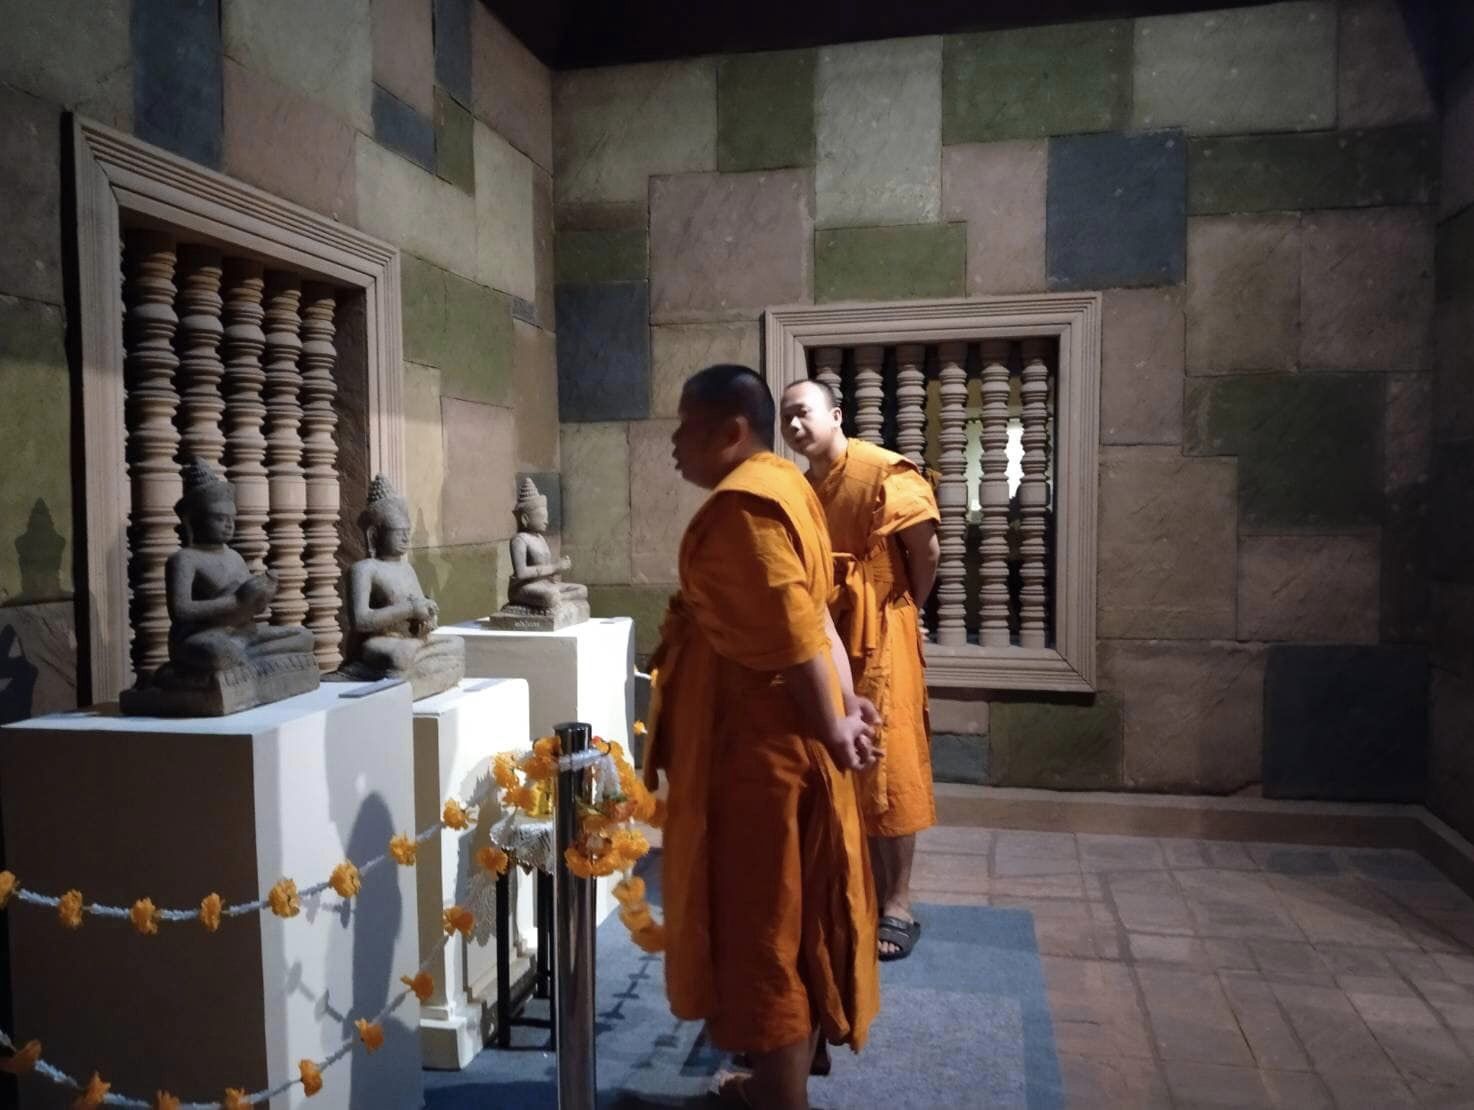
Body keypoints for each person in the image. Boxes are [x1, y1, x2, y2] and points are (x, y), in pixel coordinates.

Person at [642, 364, 880, 1109]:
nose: (674, 442)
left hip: (758, 755)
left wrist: (835, 721)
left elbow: (793, 626)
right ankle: (779, 1082)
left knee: (762, 929)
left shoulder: (744, 508)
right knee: (790, 916)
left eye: (686, 426)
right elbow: (815, 613)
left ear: (731, 431)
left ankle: (780, 1100)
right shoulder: (784, 484)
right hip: (782, 735)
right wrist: (841, 702)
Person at [780, 379, 941, 962]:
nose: (794, 425)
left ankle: (898, 902)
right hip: (824, 631)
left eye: (803, 413)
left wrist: (900, 606)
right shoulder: (799, 488)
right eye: (786, 417)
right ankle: (853, 886)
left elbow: (926, 552)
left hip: (882, 630)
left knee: (888, 761)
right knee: (830, 755)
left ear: (836, 415)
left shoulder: (884, 472)